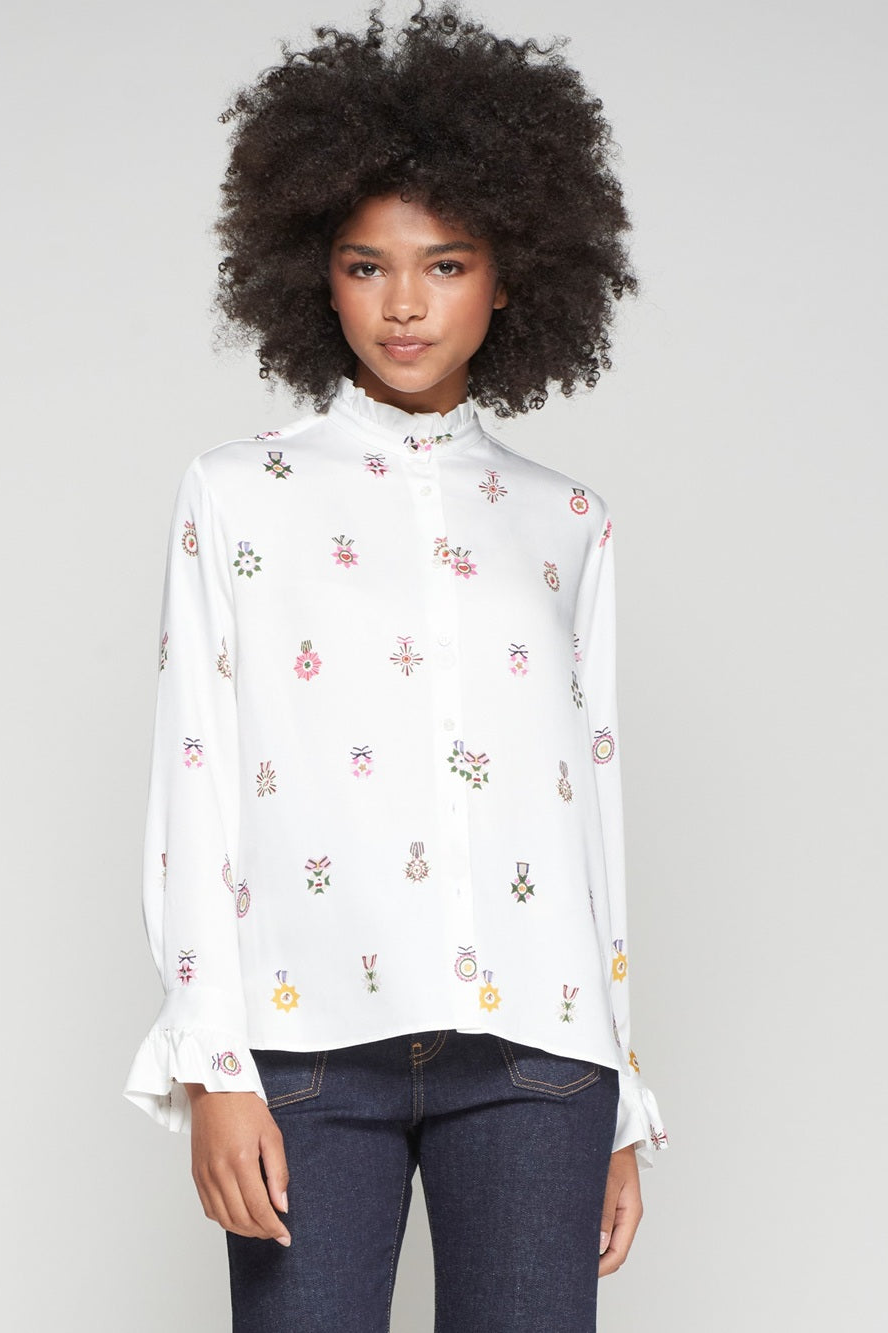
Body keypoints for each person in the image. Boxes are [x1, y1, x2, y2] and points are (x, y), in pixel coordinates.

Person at [123, 4, 668, 1329]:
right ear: (316, 275)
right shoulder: (237, 495)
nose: (407, 303)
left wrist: (620, 1095)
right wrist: (214, 1062)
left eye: (447, 263)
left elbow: (591, 814)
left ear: (511, 276)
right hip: (306, 1048)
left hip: (539, 1059)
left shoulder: (567, 520)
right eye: (367, 265)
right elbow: (194, 775)